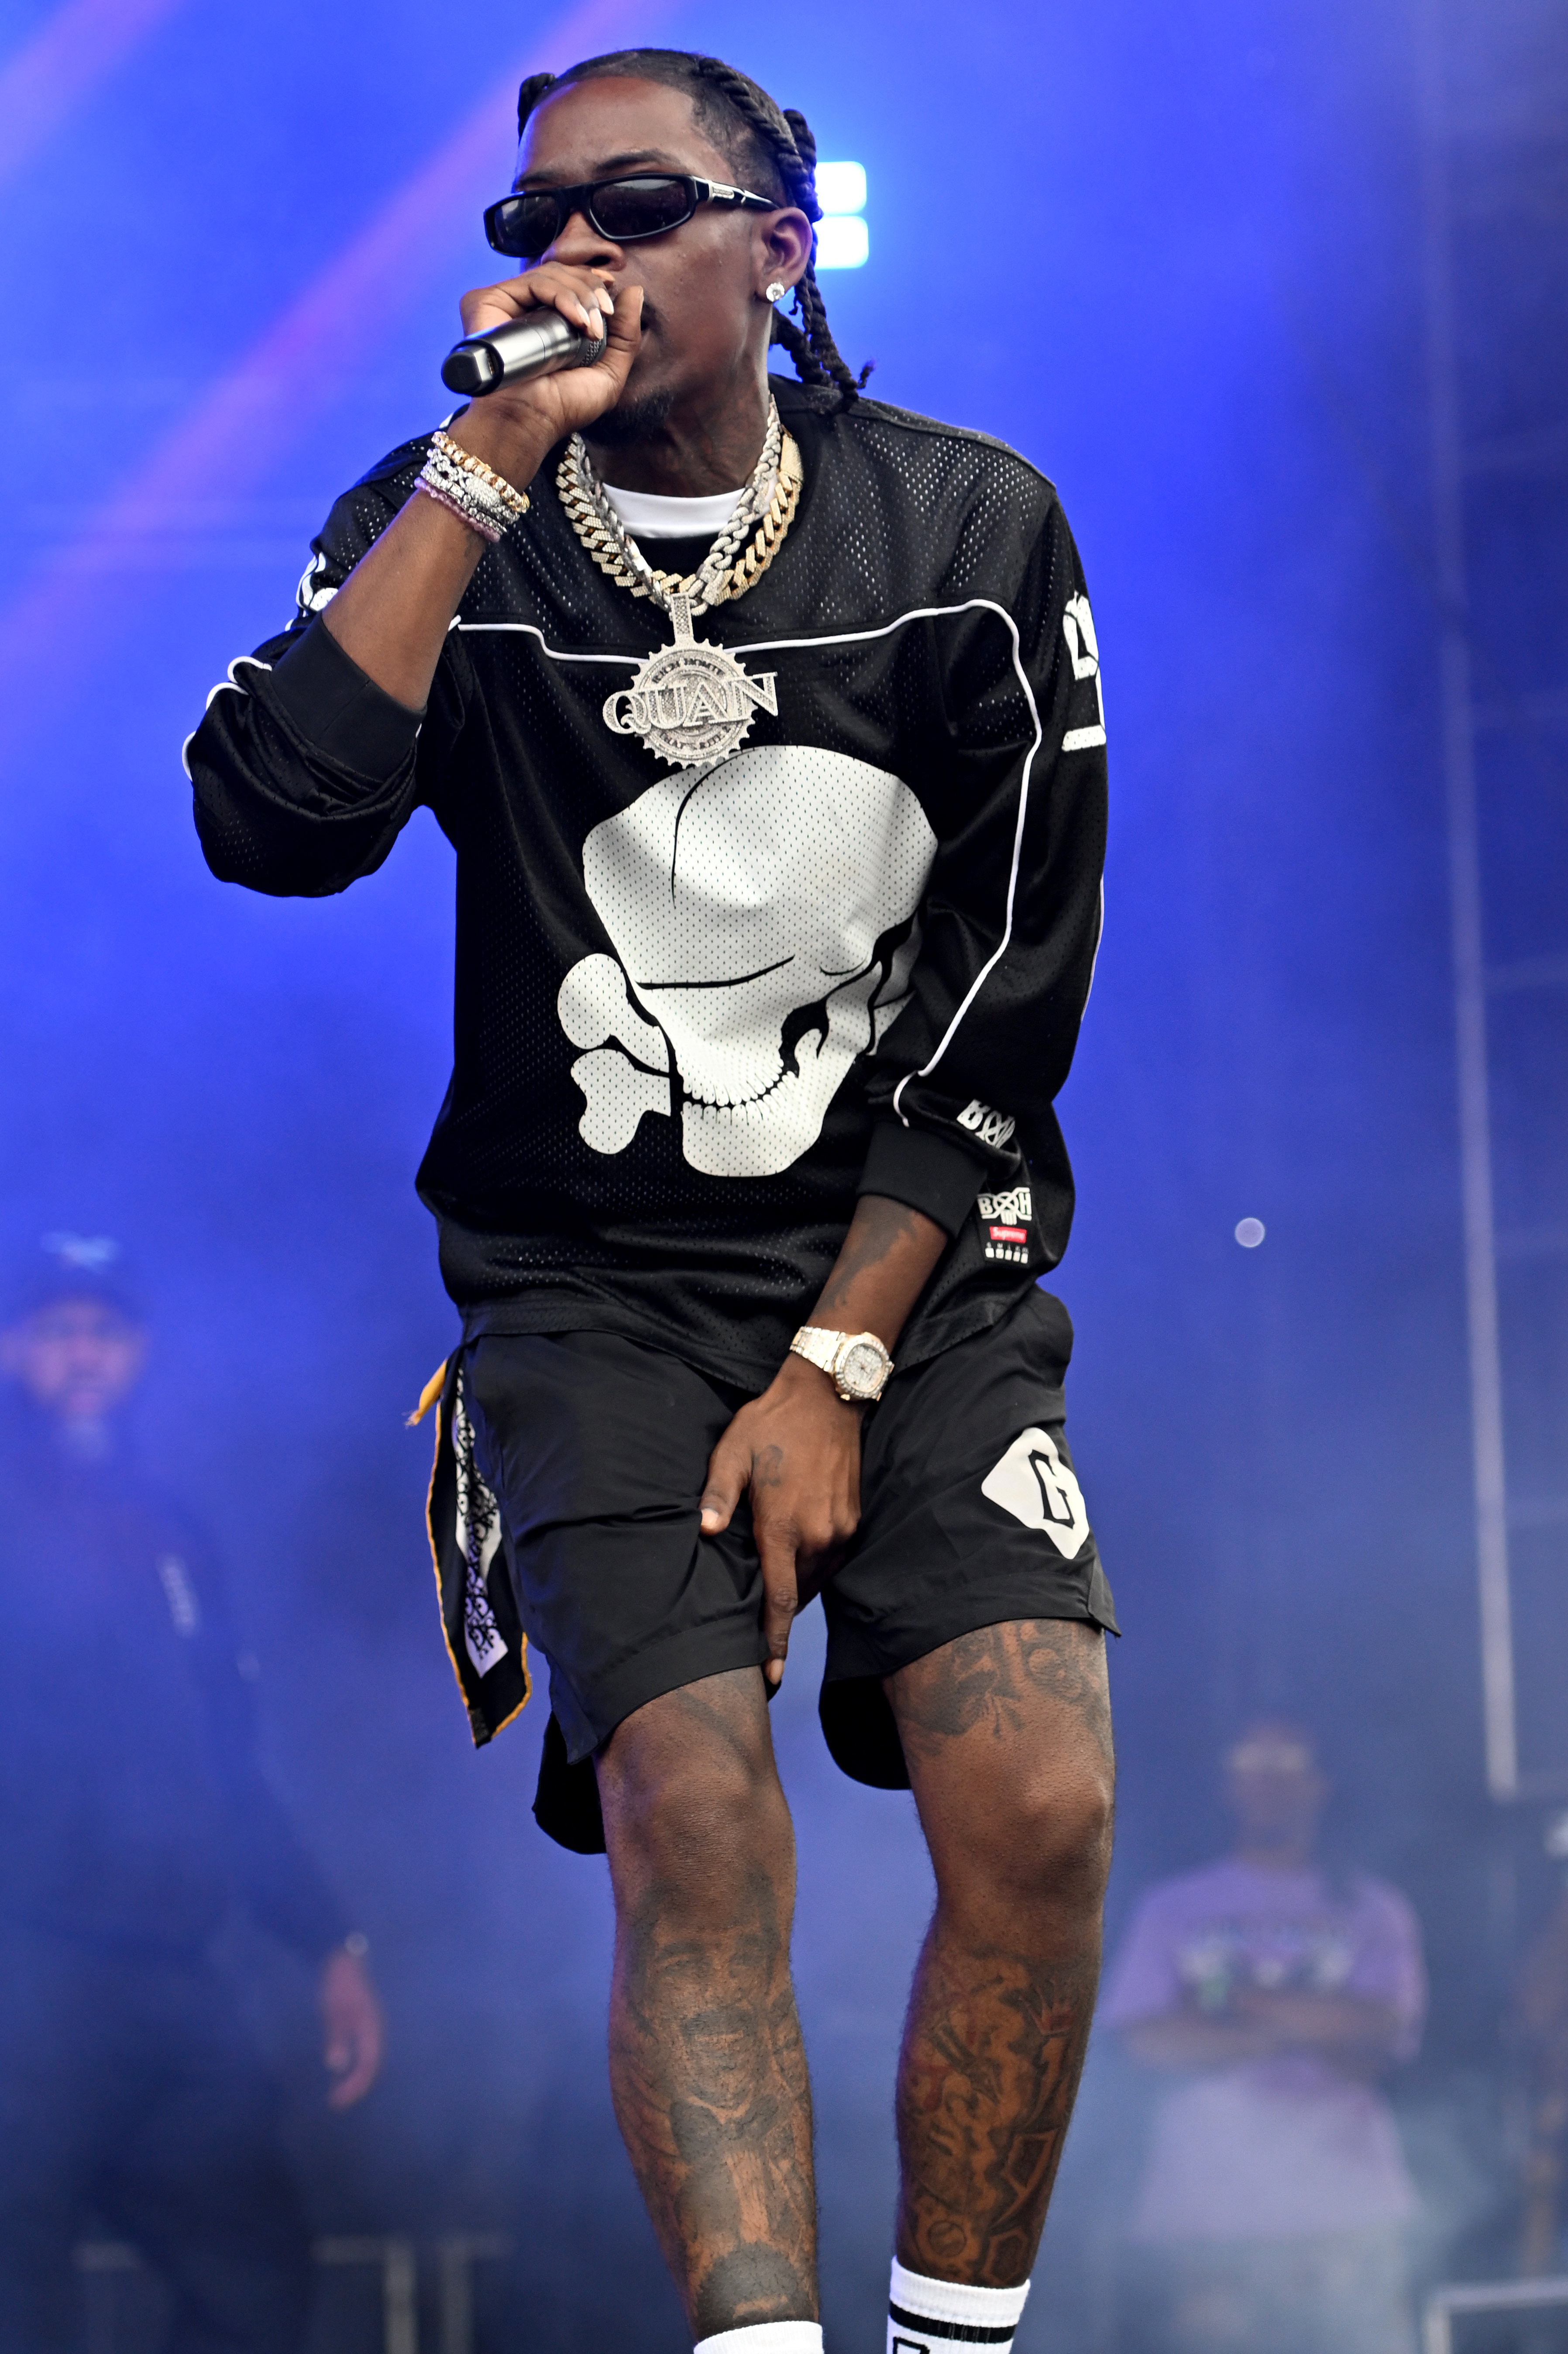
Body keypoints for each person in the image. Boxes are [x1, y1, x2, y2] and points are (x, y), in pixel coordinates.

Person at [186, 48, 1115, 2354]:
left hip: (908, 1245)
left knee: (1037, 1798)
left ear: (777, 247)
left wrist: (833, 1356)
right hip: (583, 1280)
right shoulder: (441, 522)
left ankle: (951, 2338)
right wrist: (482, 470)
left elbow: (1003, 989)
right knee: (696, 1815)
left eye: (629, 201)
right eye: (529, 220)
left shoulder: (961, 533)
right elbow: (271, 821)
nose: (567, 249)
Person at [0, 1237, 383, 2354]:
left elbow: (230, 1762)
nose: (82, 1352)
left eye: (104, 1330)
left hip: (169, 1977)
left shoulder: (174, 1532)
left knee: (260, 2267)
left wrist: (326, 1939)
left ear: (138, 1353)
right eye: (57, 1328)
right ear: (13, 1346)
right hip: (23, 1982)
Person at [1100, 1721, 1426, 2354]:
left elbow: (1382, 2031)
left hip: (1348, 2212)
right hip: (1205, 2214)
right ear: (1227, 1783)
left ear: (1322, 1782)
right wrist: (1314, 2023)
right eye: (1251, 1759)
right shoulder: (1173, 1907)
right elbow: (1144, 2044)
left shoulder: (1373, 1908)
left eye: (1289, 1759)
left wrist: (1232, 2006)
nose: (1270, 1777)